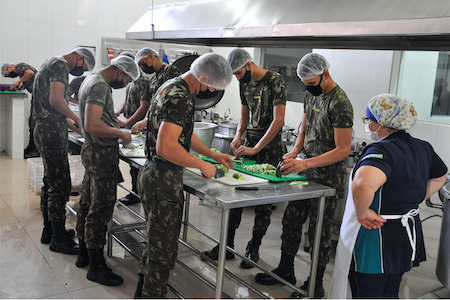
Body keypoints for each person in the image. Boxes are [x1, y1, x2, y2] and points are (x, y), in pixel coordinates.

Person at [133, 53, 233, 298]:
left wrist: (213, 155)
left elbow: (183, 134)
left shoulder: (171, 86)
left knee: (155, 241)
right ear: (205, 76)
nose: (210, 91)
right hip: (163, 179)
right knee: (163, 251)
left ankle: (142, 291)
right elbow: (166, 147)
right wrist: (201, 165)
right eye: (212, 86)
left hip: (152, 175)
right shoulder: (182, 99)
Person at [254, 52, 353, 299]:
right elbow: (304, 129)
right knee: (291, 221)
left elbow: (342, 150)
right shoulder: (312, 94)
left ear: (325, 74)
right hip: (304, 173)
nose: (308, 88)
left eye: (311, 83)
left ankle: (315, 285)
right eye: (305, 84)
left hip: (327, 179)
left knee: (318, 232)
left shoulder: (340, 103)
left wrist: (305, 164)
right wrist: (295, 153)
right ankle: (286, 269)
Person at [329, 93, 448, 299]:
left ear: (380, 123)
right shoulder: (422, 147)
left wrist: (363, 211)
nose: (366, 124)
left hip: (375, 235)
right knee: (391, 290)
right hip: (404, 234)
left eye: (367, 119)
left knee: (367, 292)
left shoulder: (382, 150)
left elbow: (364, 183)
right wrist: (414, 199)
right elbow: (441, 176)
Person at [202, 48, 286, 270]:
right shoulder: (244, 84)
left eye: (238, 73)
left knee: (263, 204)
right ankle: (226, 246)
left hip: (268, 148)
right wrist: (239, 136)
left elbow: (278, 121)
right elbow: (244, 114)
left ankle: (253, 248)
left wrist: (256, 148)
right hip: (249, 144)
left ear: (248, 65)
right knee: (236, 194)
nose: (238, 78)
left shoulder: (275, 81)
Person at [74, 55, 140, 286]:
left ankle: (83, 253)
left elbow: (95, 119)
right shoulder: (101, 85)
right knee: (100, 210)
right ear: (121, 72)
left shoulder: (90, 79)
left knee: (87, 204)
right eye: (126, 80)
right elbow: (93, 125)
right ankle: (96, 266)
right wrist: (121, 134)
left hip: (92, 151)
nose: (124, 85)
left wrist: (114, 124)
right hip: (101, 155)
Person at [32, 47, 95, 254]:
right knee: (60, 184)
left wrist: (73, 125)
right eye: (84, 67)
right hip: (50, 132)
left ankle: (49, 230)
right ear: (80, 58)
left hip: (46, 127)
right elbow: (56, 101)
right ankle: (58, 238)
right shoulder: (60, 65)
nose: (81, 71)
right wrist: (77, 118)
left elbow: (54, 108)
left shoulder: (51, 61)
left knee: (50, 181)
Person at [118, 48, 181, 205]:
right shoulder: (154, 79)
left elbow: (168, 104)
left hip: (165, 128)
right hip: (153, 129)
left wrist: (145, 120)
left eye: (143, 63)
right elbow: (153, 105)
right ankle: (140, 193)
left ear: (151, 57)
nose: (143, 67)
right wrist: (146, 120)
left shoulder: (170, 72)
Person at [1, 62, 39, 158]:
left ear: (9, 67)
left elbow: (30, 73)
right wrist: (24, 84)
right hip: (38, 96)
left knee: (35, 124)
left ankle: (36, 150)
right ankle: (31, 148)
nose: (10, 77)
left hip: (41, 97)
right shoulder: (21, 71)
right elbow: (31, 76)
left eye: (8, 74)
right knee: (32, 123)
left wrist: (18, 82)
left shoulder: (19, 66)